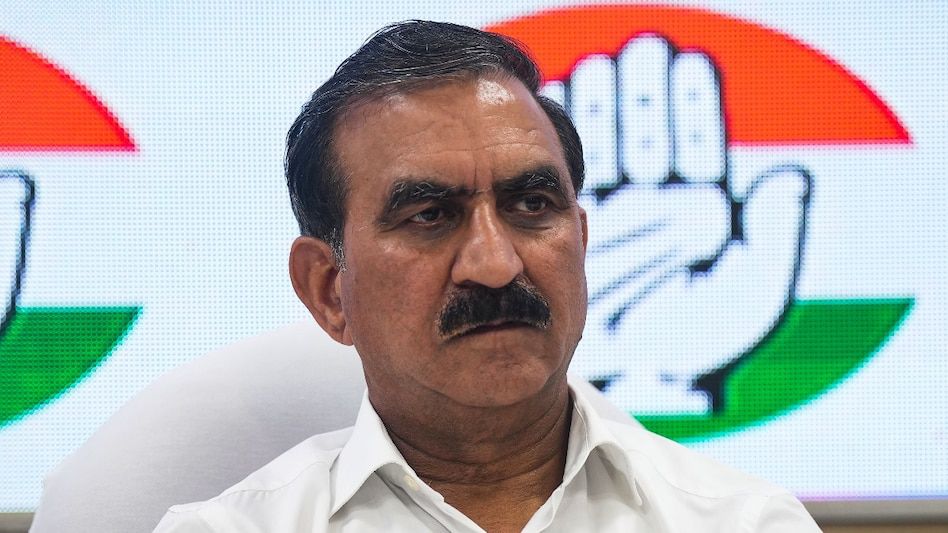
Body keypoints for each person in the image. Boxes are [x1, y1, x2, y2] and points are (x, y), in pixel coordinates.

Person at [154, 20, 821, 532]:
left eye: (532, 205)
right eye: (429, 215)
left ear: (581, 242)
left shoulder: (741, 522)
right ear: (330, 290)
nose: (497, 264)